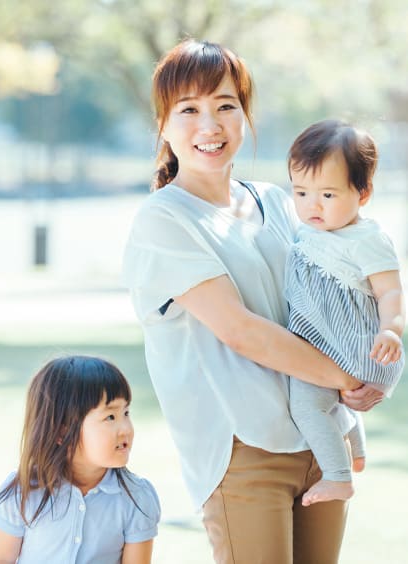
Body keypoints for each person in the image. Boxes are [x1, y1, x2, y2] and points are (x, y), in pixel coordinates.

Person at [122, 39, 384, 564]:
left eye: (225, 105)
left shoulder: (279, 202)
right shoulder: (163, 220)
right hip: (244, 451)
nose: (210, 125)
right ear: (163, 124)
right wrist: (349, 376)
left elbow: (332, 297)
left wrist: (369, 364)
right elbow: (241, 331)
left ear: (244, 115)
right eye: (189, 110)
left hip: (320, 438)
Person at [285, 119, 405, 507]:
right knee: (334, 399)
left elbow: (390, 291)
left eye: (328, 194)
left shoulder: (367, 239)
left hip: (356, 346)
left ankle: (338, 478)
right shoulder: (309, 231)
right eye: (301, 192)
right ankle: (356, 444)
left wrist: (392, 329)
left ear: (363, 193)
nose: (312, 205)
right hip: (328, 341)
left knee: (307, 405)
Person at [0, 355, 160, 564]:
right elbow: (0, 559)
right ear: (62, 431)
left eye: (126, 412)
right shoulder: (24, 490)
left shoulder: (136, 497)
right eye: (110, 417)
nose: (126, 429)